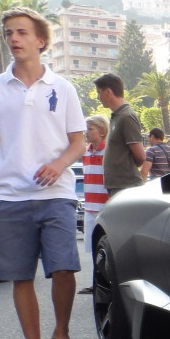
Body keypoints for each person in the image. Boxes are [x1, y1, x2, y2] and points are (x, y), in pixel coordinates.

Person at [0, 6, 87, 339]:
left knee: (63, 267)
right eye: (9, 33)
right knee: (20, 276)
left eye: (22, 32)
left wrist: (58, 165)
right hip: (9, 198)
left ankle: (62, 333)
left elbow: (78, 142)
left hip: (56, 192)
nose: (14, 39)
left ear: (41, 41)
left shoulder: (63, 88)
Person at [94, 73, 144, 199]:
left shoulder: (127, 116)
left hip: (126, 187)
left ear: (108, 92)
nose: (98, 97)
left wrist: (125, 170)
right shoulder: (118, 116)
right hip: (118, 186)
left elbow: (140, 156)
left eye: (99, 93)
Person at [78, 116, 108, 293]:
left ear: (102, 131)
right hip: (90, 206)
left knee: (104, 246)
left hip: (104, 206)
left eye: (90, 129)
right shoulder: (85, 152)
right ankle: (97, 283)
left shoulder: (109, 152)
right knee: (92, 247)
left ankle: (104, 283)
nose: (86, 132)